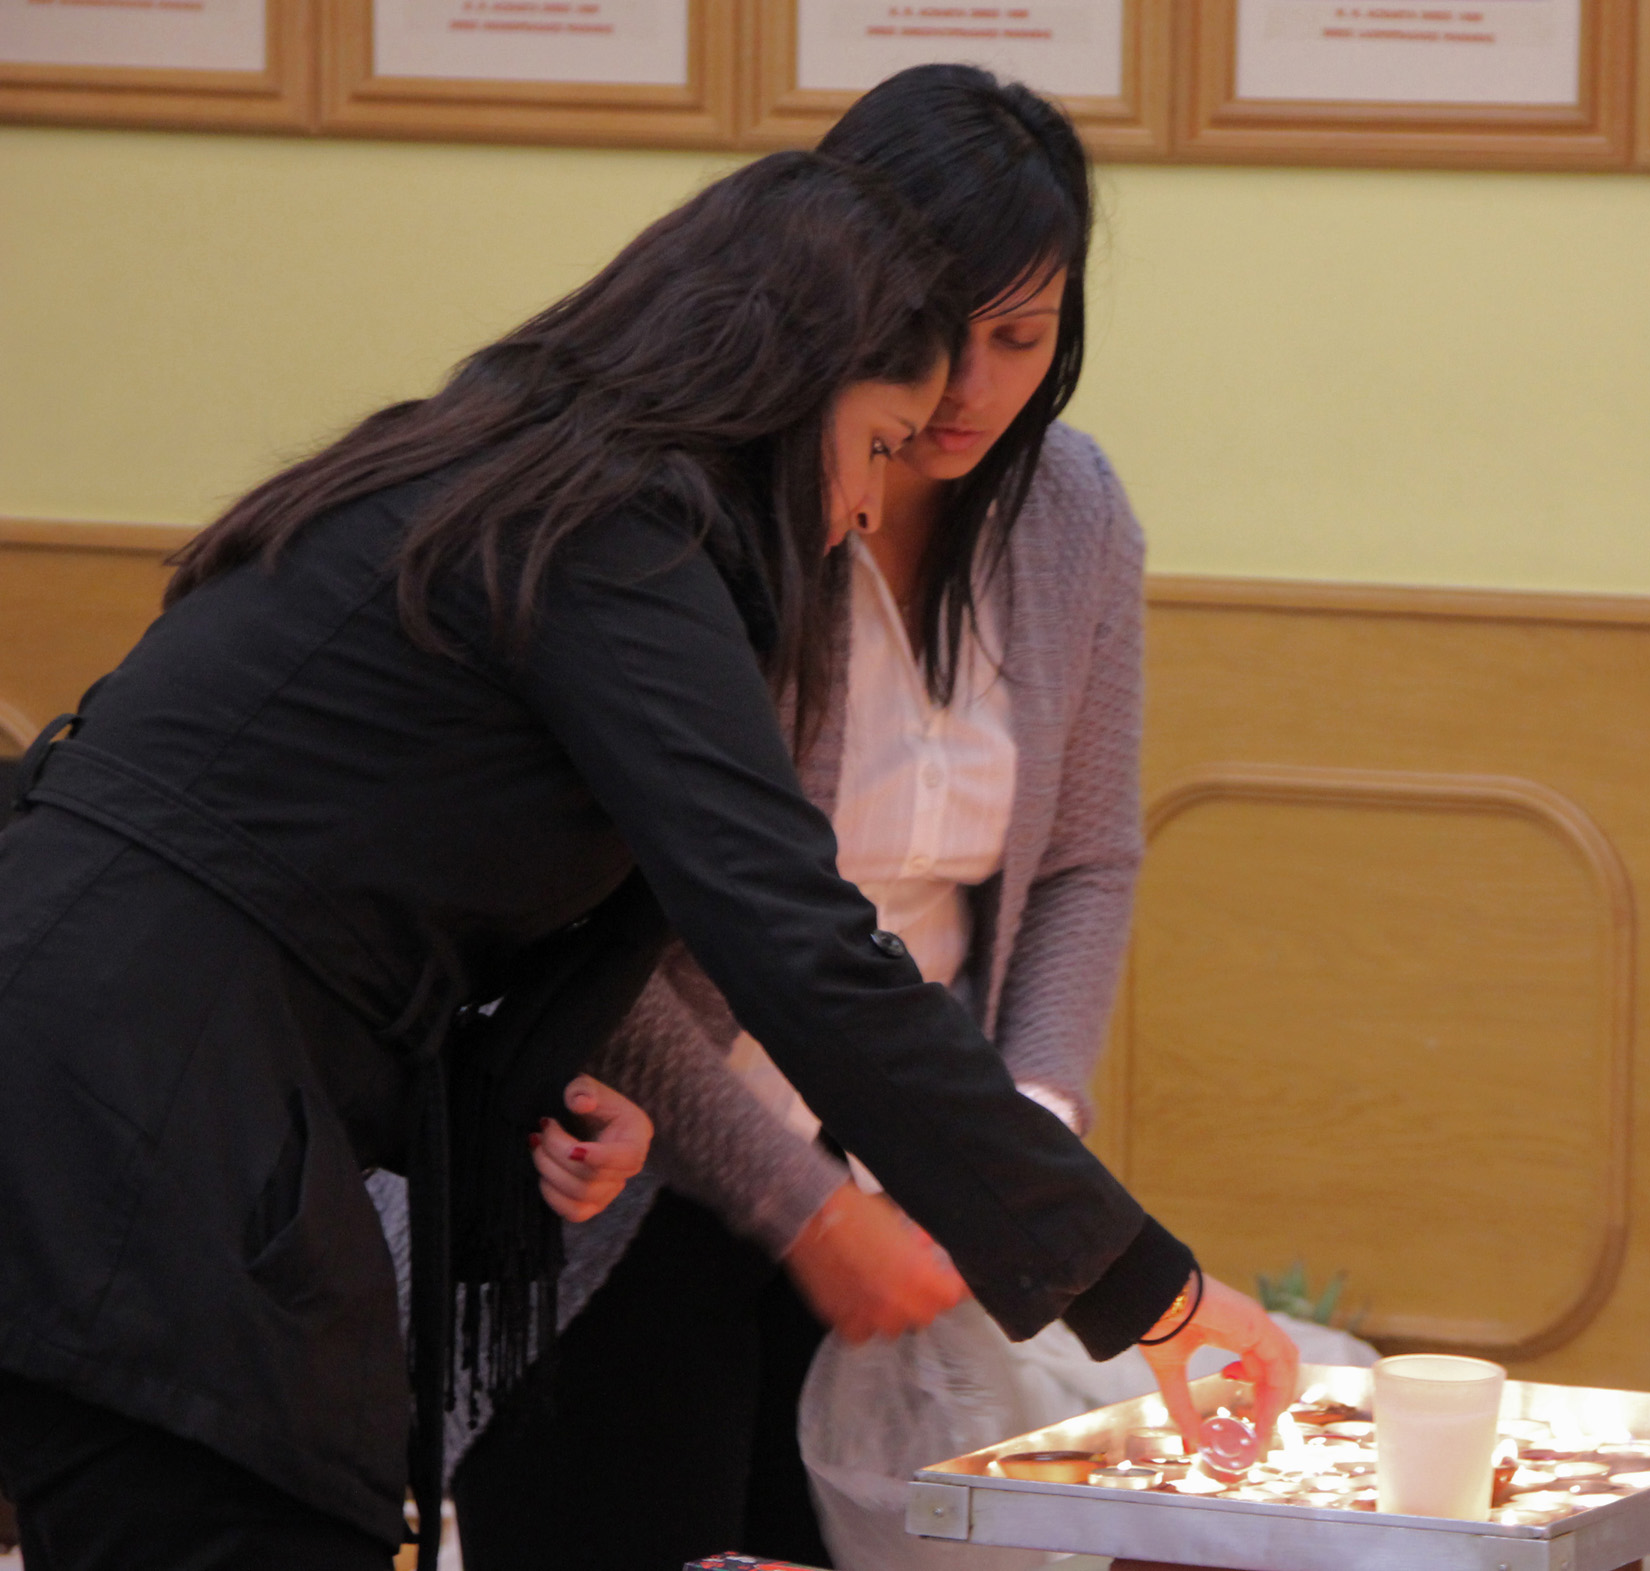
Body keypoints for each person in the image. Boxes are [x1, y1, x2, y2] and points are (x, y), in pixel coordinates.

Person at [0, 149, 1294, 1571]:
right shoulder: (619, 536)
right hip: (126, 1119)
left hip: (101, 1068)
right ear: (792, 385)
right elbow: (797, 941)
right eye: (875, 443)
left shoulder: (502, 467)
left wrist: (535, 1084)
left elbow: (364, 860)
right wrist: (1153, 1296)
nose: (869, 507)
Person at [441, 67, 1259, 1571]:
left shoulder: (1073, 515)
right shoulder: (711, 513)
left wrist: (1022, 1133)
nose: (970, 388)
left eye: (1021, 339)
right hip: (640, 1181)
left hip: (922, 1186)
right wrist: (807, 1209)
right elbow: (632, 918)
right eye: (939, 334)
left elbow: (1083, 858)